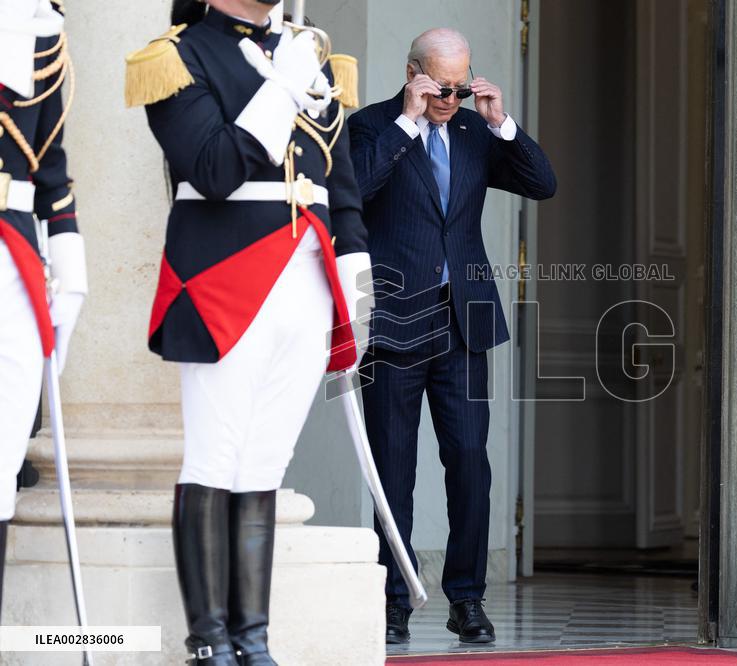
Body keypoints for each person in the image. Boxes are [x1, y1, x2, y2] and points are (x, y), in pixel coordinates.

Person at [126, 1, 370, 663]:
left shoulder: (312, 51)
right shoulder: (176, 57)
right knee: (215, 454)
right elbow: (213, 171)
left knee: (265, 462)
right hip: (224, 277)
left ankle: (252, 640)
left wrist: (358, 276)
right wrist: (283, 85)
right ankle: (208, 642)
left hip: (308, 277)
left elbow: (339, 182)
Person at [348, 27, 556, 645]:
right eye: (441, 87)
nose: (450, 99)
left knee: (469, 461)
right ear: (413, 73)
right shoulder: (371, 126)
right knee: (394, 466)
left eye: (460, 88)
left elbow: (542, 183)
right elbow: (352, 192)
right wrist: (407, 124)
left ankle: (467, 598)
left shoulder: (472, 129)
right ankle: (393, 599)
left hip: (463, 321)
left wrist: (501, 123)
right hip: (393, 320)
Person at [0, 0, 87, 615]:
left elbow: (50, 168)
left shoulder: (39, 35)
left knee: (1, 454)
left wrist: (70, 267)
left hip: (14, 254)